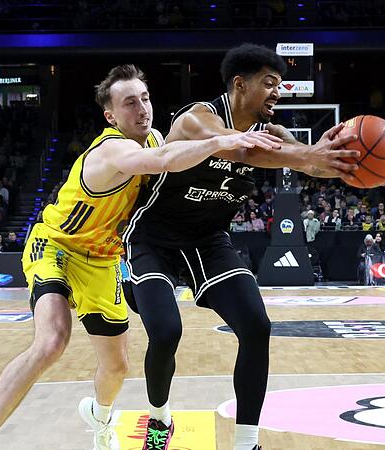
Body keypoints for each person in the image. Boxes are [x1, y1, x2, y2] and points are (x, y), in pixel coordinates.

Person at [0, 64, 282, 450]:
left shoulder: (155, 138)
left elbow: (170, 160)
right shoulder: (113, 148)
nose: (142, 108)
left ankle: (99, 417)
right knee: (52, 341)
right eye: (130, 103)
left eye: (145, 98)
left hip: (104, 258)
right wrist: (221, 141)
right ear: (111, 115)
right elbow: (164, 161)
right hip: (59, 246)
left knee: (116, 367)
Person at [123, 44, 359, 450]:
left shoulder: (275, 135)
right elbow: (241, 149)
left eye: (280, 85)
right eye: (269, 83)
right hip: (154, 238)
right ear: (239, 84)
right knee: (165, 333)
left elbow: (311, 163)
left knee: (256, 326)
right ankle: (160, 419)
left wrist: (350, 161)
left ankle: (246, 442)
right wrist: (306, 153)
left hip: (208, 241)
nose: (277, 92)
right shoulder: (198, 119)